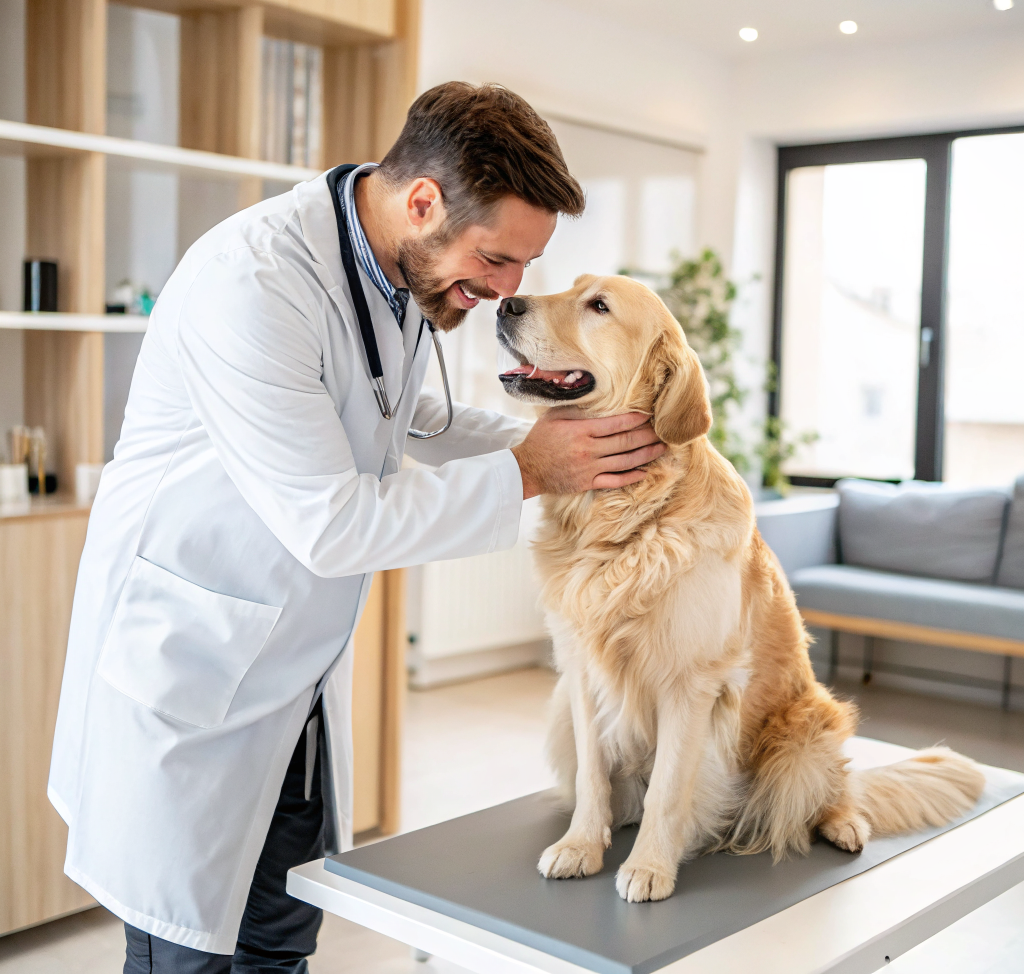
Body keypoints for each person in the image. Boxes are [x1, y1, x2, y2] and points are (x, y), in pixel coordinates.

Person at [48, 82, 665, 973]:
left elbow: (395, 410)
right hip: (195, 662)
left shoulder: (389, 266)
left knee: (281, 937)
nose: (505, 293)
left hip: (288, 674)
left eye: (523, 267)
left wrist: (554, 440)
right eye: (498, 259)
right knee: (188, 958)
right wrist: (534, 470)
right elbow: (333, 523)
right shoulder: (253, 283)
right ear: (425, 202)